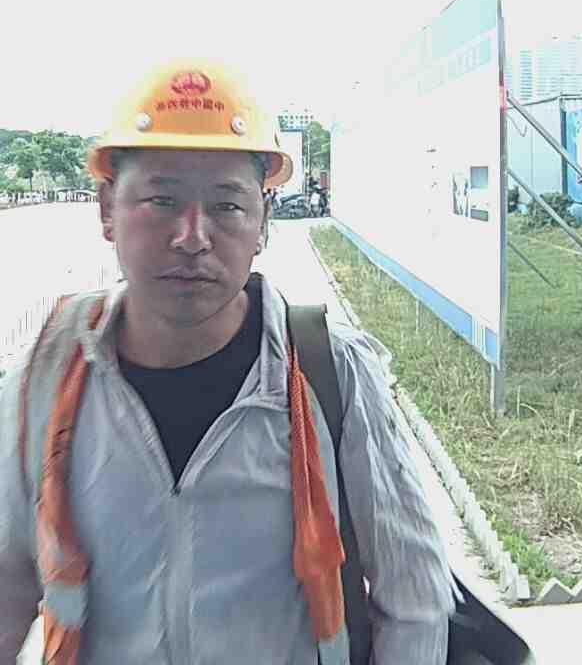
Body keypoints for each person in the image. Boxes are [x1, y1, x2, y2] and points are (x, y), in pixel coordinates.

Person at [0, 59, 455, 664]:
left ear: (262, 221)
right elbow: (7, 582)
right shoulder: (48, 375)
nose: (192, 236)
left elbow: (415, 599)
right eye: (161, 200)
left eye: (227, 206)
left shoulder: (330, 372)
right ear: (107, 208)